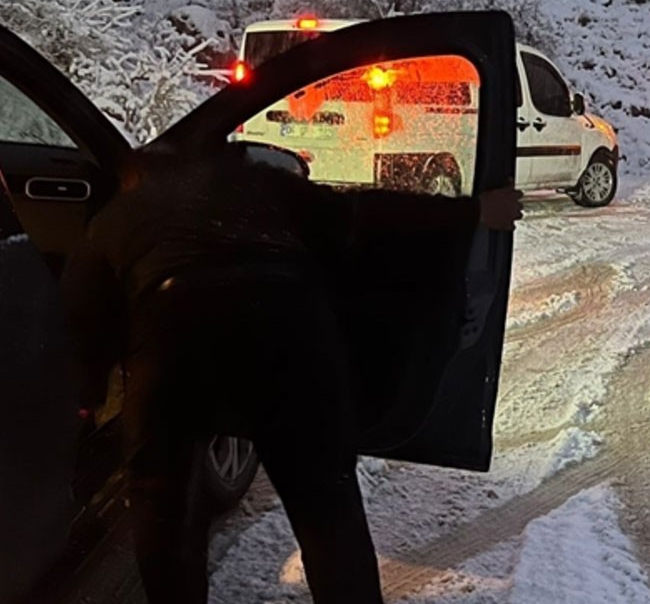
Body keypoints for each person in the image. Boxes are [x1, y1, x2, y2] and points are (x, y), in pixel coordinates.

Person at [60, 143, 522, 604]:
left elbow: (83, 318)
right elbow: (370, 213)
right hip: (292, 343)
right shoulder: (266, 188)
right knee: (325, 504)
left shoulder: (115, 217)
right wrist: (477, 210)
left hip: (174, 350)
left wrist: (88, 401)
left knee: (161, 505)